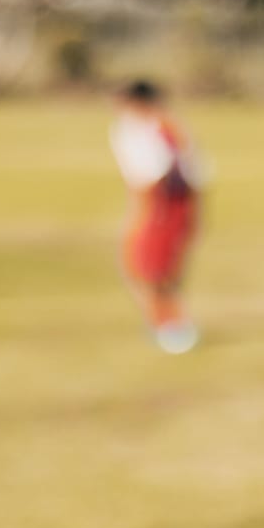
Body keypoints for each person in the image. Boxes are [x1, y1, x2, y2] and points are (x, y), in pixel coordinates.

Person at [110, 80, 200, 354]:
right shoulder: (153, 128)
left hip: (161, 210)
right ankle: (163, 324)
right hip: (166, 209)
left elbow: (155, 177)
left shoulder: (159, 131)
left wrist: (141, 214)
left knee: (148, 271)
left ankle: (172, 327)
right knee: (146, 270)